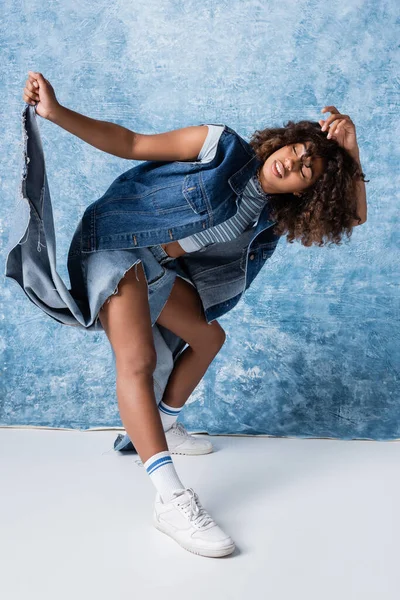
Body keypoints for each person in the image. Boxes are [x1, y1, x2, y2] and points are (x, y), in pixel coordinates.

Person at [19, 71, 368, 558]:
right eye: (299, 149)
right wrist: (56, 113)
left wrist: (349, 153)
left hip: (156, 265)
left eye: (309, 168)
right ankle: (171, 500)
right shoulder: (220, 146)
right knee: (137, 361)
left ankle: (160, 422)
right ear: (284, 141)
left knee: (208, 339)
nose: (295, 162)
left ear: (306, 192)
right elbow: (131, 142)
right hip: (117, 243)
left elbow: (353, 216)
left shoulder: (270, 217)